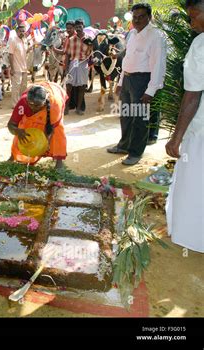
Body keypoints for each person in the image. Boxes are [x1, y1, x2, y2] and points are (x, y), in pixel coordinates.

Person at [165, 0, 204, 253]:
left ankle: (192, 236)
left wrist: (176, 139)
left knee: (194, 183)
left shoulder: (201, 45)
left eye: (194, 16)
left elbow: (192, 95)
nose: (191, 24)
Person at [107, 3, 167, 165]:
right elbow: (127, 59)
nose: (137, 20)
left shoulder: (156, 36)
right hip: (127, 79)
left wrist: (151, 90)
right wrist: (120, 81)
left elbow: (158, 65)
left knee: (140, 118)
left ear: (149, 17)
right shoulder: (132, 34)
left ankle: (135, 152)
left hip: (143, 81)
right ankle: (124, 145)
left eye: (141, 17)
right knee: (126, 115)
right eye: (135, 17)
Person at [8, 83, 67, 168]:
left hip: (56, 93)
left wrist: (44, 143)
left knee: (58, 131)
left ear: (44, 102)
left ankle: (59, 162)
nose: (33, 108)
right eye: (30, 105)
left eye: (37, 106)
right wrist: (18, 131)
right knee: (23, 129)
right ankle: (13, 156)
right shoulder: (23, 102)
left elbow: (52, 128)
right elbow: (11, 125)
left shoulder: (55, 104)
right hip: (38, 92)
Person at [61, 19, 93, 116]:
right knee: (69, 87)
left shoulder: (89, 39)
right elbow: (67, 55)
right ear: (75, 28)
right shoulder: (70, 40)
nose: (78, 29)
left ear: (83, 26)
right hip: (73, 63)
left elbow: (91, 54)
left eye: (80, 26)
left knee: (82, 87)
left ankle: (79, 108)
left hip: (83, 64)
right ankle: (66, 108)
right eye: (77, 27)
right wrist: (65, 69)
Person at [9, 22, 31, 108]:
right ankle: (15, 105)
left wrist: (30, 48)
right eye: (20, 31)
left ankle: (21, 102)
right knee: (16, 87)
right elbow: (10, 54)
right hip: (16, 68)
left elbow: (24, 52)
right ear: (17, 31)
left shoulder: (25, 40)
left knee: (24, 87)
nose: (22, 32)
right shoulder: (13, 40)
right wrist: (12, 68)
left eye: (23, 31)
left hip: (24, 68)